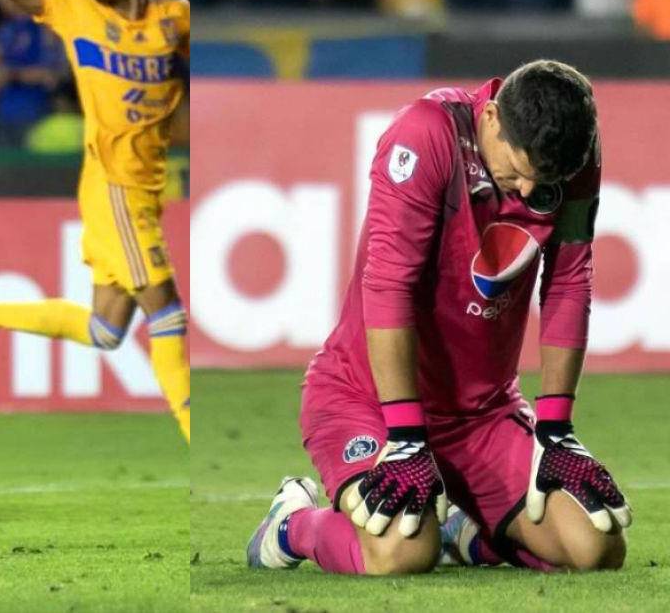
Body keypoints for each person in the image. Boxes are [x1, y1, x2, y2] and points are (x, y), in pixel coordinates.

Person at [247, 60, 631, 575]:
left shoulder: (574, 159)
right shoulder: (427, 134)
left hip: (481, 416)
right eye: (515, 172)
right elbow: (387, 286)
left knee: (594, 548)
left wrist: (556, 430)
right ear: (491, 117)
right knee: (402, 554)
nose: (522, 193)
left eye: (539, 184)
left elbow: (568, 280)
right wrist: (406, 436)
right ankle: (292, 524)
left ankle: (467, 535)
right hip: (367, 401)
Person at [0, 0, 190, 443]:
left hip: (147, 185)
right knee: (167, 311)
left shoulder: (175, 17)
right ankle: (197, 435)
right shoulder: (76, 7)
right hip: (114, 186)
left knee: (105, 329)